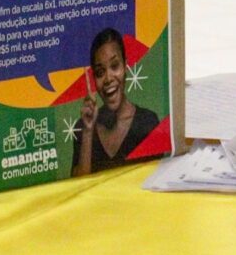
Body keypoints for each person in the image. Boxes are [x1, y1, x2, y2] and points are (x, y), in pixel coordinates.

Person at [69, 29, 166, 175]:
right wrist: (88, 131)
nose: (108, 78)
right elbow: (77, 187)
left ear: (125, 66)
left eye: (114, 66)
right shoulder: (82, 128)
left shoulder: (148, 122)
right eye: (100, 73)